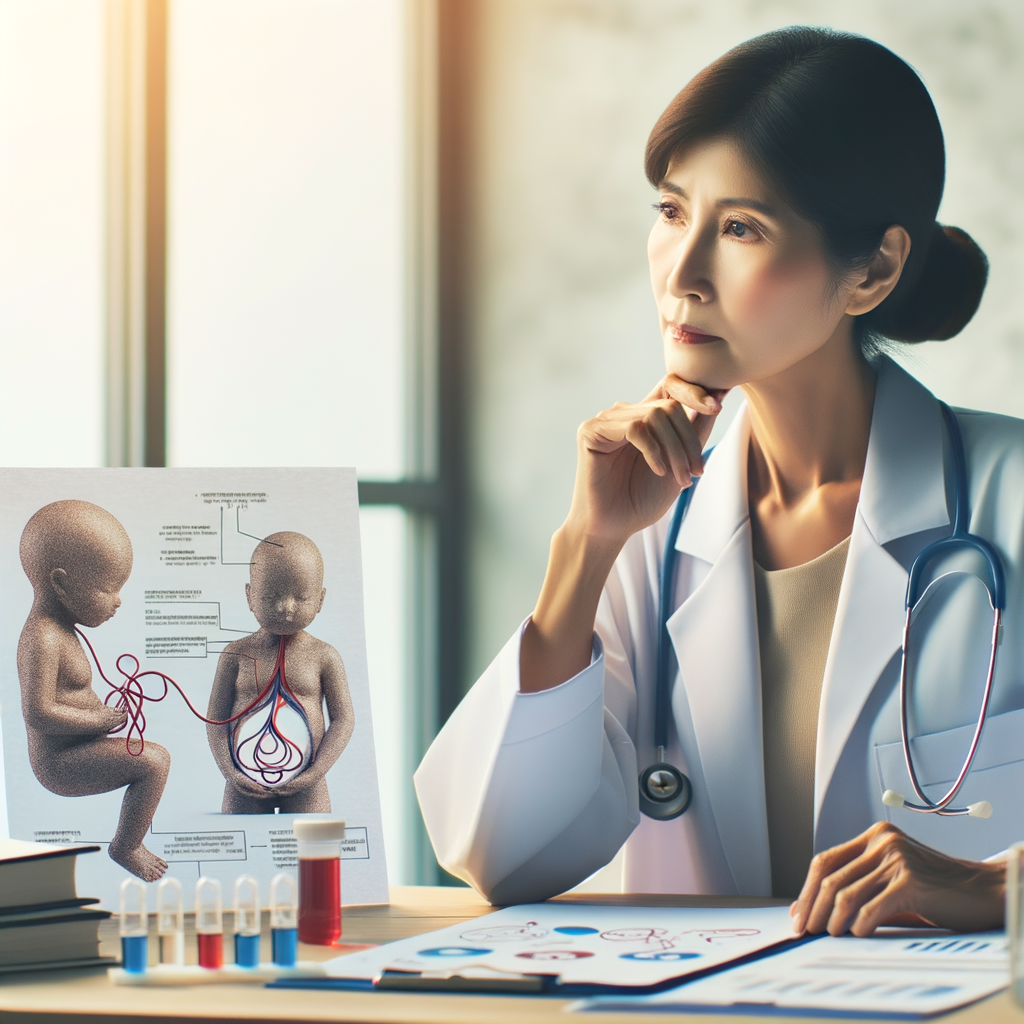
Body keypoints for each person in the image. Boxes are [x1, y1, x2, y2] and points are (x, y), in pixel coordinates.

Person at [415, 27, 1021, 936]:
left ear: (874, 269)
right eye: (670, 213)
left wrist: (999, 889)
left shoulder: (1005, 501)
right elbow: (501, 854)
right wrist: (589, 544)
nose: (684, 275)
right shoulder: (653, 524)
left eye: (742, 228)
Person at [18, 500, 170, 882]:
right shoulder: (43, 637)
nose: (118, 601)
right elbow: (37, 713)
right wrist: (97, 718)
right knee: (154, 762)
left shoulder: (62, 628)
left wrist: (103, 715)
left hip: (81, 746)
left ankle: (127, 845)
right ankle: (125, 846)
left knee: (155, 758)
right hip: (60, 762)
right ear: (61, 582)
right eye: (107, 589)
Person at [207, 531, 353, 813]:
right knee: (243, 850)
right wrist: (230, 773)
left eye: (300, 597)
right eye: (272, 596)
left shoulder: (325, 656)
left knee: (312, 854)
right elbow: (215, 720)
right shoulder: (234, 654)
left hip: (307, 785)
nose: (286, 608)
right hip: (244, 784)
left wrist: (315, 773)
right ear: (250, 596)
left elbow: (344, 720)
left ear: (320, 599)